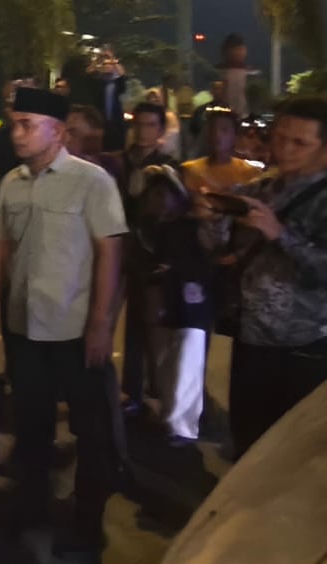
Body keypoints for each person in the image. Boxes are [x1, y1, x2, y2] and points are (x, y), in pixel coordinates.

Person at [0, 87, 127, 557]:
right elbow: (0, 246)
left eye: (27, 125)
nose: (17, 133)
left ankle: (88, 523)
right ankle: (32, 509)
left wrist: (101, 323)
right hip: (24, 327)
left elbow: (110, 251)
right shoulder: (12, 182)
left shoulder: (92, 181)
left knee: (91, 432)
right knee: (32, 425)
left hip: (75, 329)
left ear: (58, 132)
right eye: (15, 124)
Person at [196, 96, 327, 456]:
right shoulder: (257, 190)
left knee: (298, 454)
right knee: (250, 447)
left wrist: (280, 234)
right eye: (279, 138)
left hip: (308, 348)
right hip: (252, 343)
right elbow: (215, 248)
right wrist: (212, 218)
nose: (285, 149)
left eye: (299, 143)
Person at [130, 166, 213, 445]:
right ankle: (168, 415)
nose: (161, 201)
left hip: (191, 305)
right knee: (164, 364)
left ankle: (184, 427)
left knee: (187, 364)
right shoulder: (145, 230)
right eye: (154, 195)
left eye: (166, 194)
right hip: (159, 305)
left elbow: (208, 261)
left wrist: (174, 270)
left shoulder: (194, 226)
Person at [113, 101, 178, 412]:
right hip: (117, 247)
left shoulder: (167, 166)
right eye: (139, 123)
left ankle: (151, 390)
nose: (143, 130)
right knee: (104, 319)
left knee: (147, 325)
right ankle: (124, 390)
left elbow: (172, 211)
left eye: (151, 124)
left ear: (161, 130)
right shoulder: (117, 161)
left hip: (149, 253)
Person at [182, 106, 263, 195]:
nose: (217, 135)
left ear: (234, 137)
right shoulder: (190, 170)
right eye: (213, 129)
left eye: (224, 130)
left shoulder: (250, 172)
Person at [88, 49, 129, 152]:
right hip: (99, 121)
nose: (107, 66)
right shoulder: (97, 82)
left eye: (109, 64)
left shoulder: (116, 83)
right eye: (105, 64)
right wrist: (98, 59)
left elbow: (123, 75)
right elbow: (89, 72)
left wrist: (112, 59)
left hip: (115, 123)